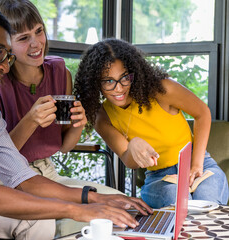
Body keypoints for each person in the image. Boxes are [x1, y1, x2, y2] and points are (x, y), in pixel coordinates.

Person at [0, 5, 153, 240]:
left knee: (38, 223)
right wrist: (78, 210)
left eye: (7, 55)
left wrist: (95, 198)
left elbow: (22, 177)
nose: (5, 65)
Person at [0, 0, 123, 193]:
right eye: (24, 38)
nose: (36, 43)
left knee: (115, 200)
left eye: (39, 31)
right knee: (61, 215)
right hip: (4, 179)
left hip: (46, 173)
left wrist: (79, 124)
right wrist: (30, 120)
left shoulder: (60, 73)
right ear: (4, 44)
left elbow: (65, 146)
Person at [74, 38, 229, 209]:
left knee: (207, 201)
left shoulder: (162, 89)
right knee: (178, 205)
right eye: (108, 81)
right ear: (96, 83)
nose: (118, 88)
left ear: (134, 72)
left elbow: (203, 113)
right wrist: (132, 146)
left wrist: (197, 165)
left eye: (124, 77)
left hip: (199, 163)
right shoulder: (102, 116)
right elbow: (129, 160)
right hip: (160, 177)